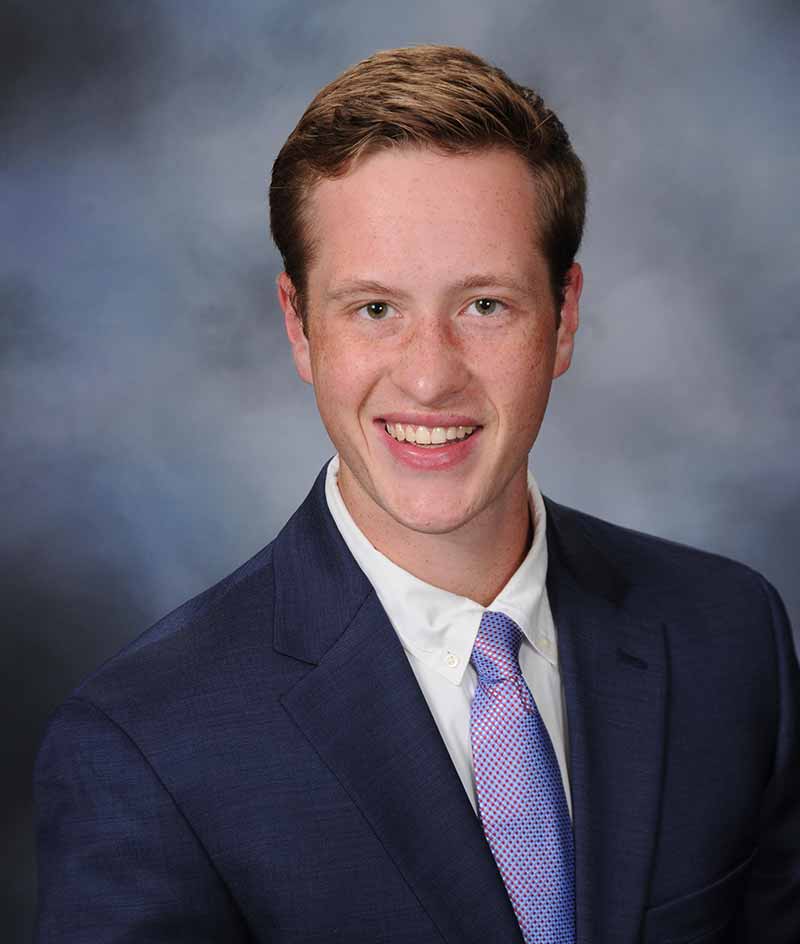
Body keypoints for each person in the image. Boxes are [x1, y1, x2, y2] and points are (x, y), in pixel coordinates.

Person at [34, 44, 799, 943]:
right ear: (299, 327)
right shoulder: (145, 744)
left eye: (485, 305)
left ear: (564, 318)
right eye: (374, 309)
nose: (430, 380)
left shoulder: (729, 634)